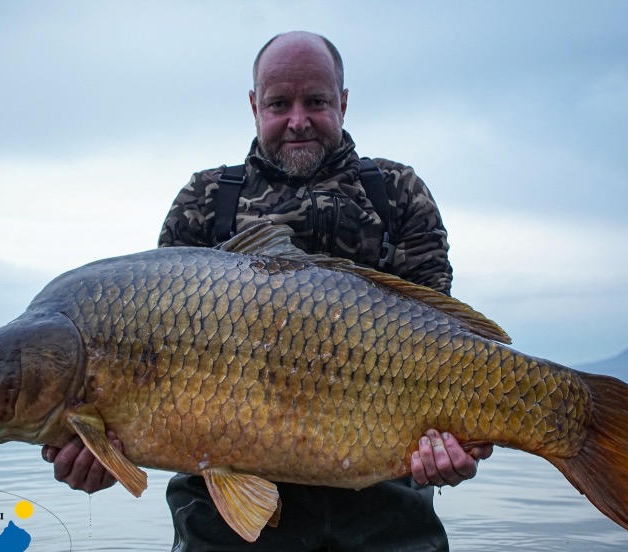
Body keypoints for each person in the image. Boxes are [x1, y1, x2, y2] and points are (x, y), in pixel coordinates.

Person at [43, 31, 493, 551]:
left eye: (316, 102)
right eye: (280, 103)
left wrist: (452, 450)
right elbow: (150, 373)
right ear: (255, 106)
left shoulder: (396, 193)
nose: (298, 119)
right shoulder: (206, 200)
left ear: (343, 103)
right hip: (223, 510)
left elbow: (445, 344)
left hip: (382, 499)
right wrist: (98, 456)